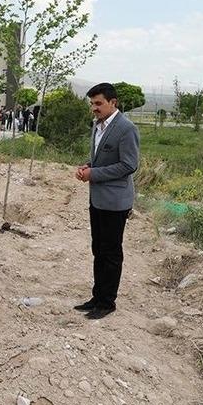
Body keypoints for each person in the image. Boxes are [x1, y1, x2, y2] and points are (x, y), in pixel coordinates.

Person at [74, 83, 140, 320]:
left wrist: (95, 174)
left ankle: (107, 302)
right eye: (92, 103)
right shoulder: (98, 125)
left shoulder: (126, 129)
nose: (94, 108)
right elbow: (101, 158)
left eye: (99, 103)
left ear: (113, 103)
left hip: (115, 201)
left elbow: (129, 165)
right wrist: (88, 166)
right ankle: (97, 297)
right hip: (98, 199)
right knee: (98, 249)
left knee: (111, 252)